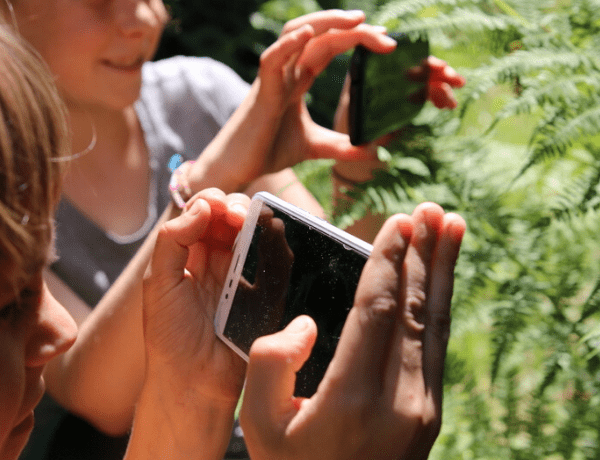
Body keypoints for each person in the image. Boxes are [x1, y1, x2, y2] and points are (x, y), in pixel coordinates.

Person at [0, 1, 465, 458]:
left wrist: (358, 167)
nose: (141, 18)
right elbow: (100, 399)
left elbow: (326, 290)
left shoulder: (200, 95)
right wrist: (211, 178)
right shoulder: (13, 176)